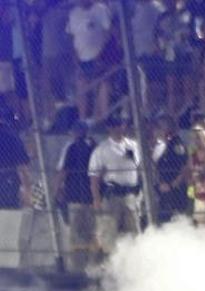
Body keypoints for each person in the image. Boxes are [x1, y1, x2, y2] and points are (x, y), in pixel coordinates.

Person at [88, 112, 142, 263]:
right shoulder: (102, 149)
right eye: (115, 126)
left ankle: (133, 262)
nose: (119, 129)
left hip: (131, 194)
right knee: (109, 232)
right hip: (113, 195)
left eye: (120, 125)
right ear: (109, 128)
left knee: (133, 231)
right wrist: (96, 199)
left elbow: (140, 167)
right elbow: (94, 177)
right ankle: (109, 264)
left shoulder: (133, 146)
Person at [53, 121, 98, 272]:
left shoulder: (72, 148)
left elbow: (63, 171)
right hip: (91, 197)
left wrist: (55, 190)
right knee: (92, 232)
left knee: (76, 233)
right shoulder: (94, 146)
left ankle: (78, 266)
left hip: (75, 196)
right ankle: (93, 264)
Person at [67, 0, 116, 123]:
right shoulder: (74, 13)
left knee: (102, 86)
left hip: (100, 57)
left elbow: (109, 32)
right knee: (82, 87)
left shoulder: (101, 9)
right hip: (81, 58)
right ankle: (83, 119)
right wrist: (74, 56)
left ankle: (102, 119)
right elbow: (72, 36)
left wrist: (103, 52)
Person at [0, 114, 30, 269]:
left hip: (7, 180)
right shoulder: (12, 136)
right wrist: (27, 189)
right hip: (8, 180)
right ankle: (7, 261)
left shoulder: (10, 136)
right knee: (8, 218)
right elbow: (22, 165)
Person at [151, 114, 189, 225]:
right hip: (163, 189)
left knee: (175, 220)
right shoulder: (162, 145)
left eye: (160, 127)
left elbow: (184, 167)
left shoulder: (176, 144)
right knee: (163, 220)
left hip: (175, 191)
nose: (157, 130)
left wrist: (172, 185)